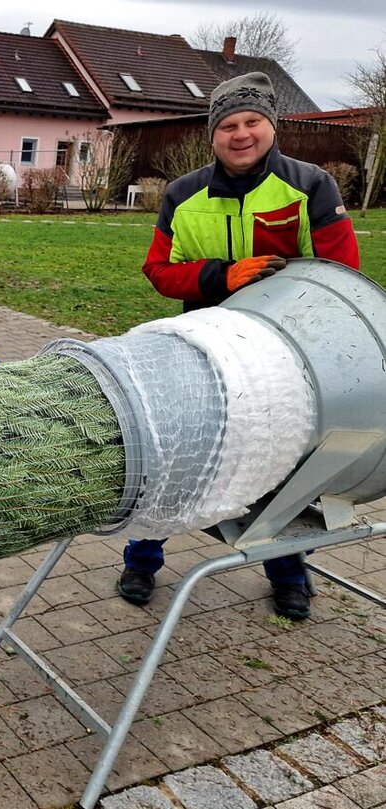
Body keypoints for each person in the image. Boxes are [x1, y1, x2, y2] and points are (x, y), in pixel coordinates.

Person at [120, 71, 360, 620]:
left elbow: (342, 272)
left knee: (283, 463)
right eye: (228, 124)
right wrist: (221, 277)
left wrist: (275, 286)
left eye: (252, 122)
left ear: (270, 127)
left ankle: (288, 571)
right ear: (213, 135)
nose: (241, 134)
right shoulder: (183, 194)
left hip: (286, 357)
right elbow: (159, 272)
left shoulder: (310, 185)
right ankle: (141, 558)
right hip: (202, 351)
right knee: (176, 458)